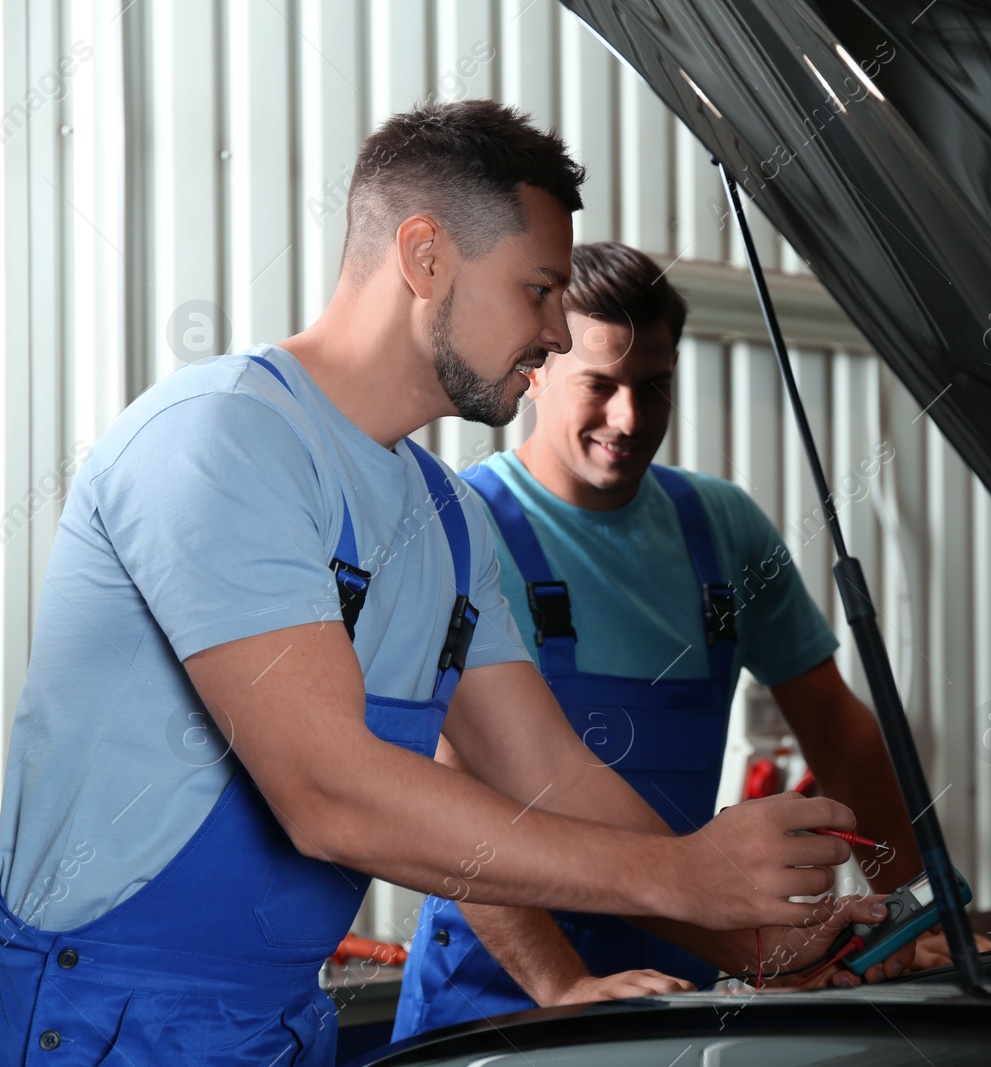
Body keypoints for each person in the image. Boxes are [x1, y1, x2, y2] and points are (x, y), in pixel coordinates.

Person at [0, 102, 889, 1067]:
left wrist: (759, 941)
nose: (556, 331)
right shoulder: (222, 442)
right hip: (101, 1018)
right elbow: (329, 793)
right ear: (425, 257)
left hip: (275, 1024)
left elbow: (548, 770)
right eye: (541, 288)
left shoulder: (447, 519)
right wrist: (680, 873)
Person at [393, 241, 984, 1039]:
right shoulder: (468, 529)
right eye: (599, 386)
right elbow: (453, 791)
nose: (629, 419)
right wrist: (560, 981)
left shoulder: (723, 530)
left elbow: (839, 730)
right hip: (500, 992)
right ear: (537, 372)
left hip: (684, 975)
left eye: (654, 388)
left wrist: (915, 907)